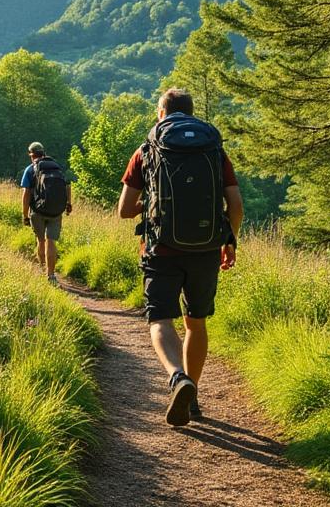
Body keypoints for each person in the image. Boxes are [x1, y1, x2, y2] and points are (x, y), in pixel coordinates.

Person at [117, 88, 242, 427]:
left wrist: (152, 203)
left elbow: (124, 209)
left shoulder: (147, 150)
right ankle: (193, 395)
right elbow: (235, 204)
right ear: (191, 112)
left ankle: (177, 377)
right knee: (196, 322)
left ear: (161, 113)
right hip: (205, 249)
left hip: (161, 249)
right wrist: (229, 240)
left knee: (160, 319)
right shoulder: (213, 149)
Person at [20, 141, 72, 284]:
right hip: (56, 212)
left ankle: (43, 270)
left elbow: (26, 194)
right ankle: (51, 275)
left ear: (31, 155)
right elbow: (67, 185)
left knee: (41, 240)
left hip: (38, 211)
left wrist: (25, 215)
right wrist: (68, 203)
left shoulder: (30, 170)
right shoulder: (56, 167)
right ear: (43, 153)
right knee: (51, 241)